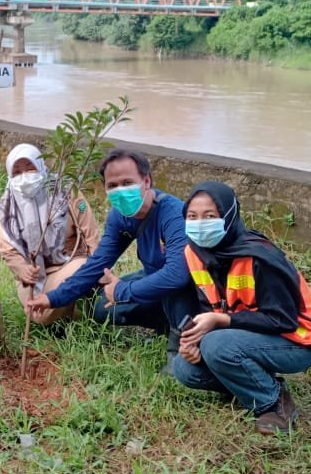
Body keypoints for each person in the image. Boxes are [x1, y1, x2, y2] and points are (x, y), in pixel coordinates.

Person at [169, 180, 311, 436]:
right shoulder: (194, 252)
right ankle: (252, 382)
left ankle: (274, 402)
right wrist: (192, 342)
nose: (199, 224)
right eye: (192, 216)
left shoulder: (259, 256)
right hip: (248, 336)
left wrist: (220, 322)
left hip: (298, 341)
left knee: (216, 346)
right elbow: (209, 304)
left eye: (210, 216)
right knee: (184, 368)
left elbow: (283, 320)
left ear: (229, 216)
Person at [27, 148, 198, 349]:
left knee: (173, 294)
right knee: (102, 308)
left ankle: (180, 335)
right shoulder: (119, 217)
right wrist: (53, 298)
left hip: (188, 288)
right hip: (154, 277)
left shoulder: (174, 214)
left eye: (127, 183)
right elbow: (98, 262)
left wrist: (123, 291)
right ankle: (164, 324)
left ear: (147, 181)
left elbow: (177, 275)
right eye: (113, 186)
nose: (121, 191)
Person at [0, 143, 101, 325]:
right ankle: (63, 310)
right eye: (17, 172)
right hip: (35, 274)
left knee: (80, 273)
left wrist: (100, 268)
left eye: (30, 168)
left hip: (71, 262)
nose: (25, 176)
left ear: (41, 166)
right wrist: (23, 269)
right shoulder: (7, 208)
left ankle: (79, 313)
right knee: (39, 315)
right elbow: (7, 250)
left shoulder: (66, 191)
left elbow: (90, 232)